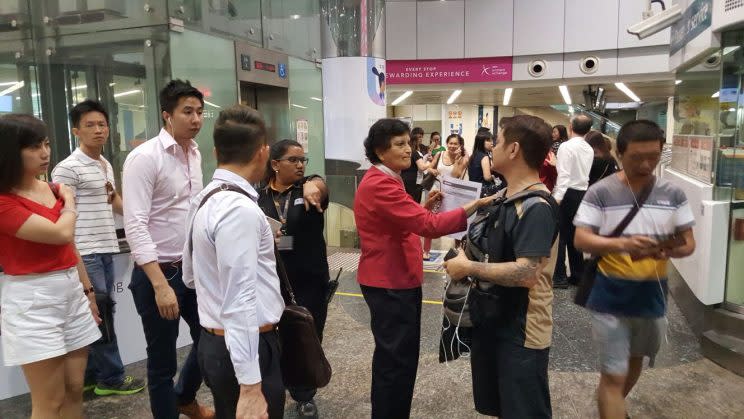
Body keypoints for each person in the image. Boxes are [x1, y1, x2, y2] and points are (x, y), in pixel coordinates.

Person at [354, 118, 494, 419]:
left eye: (409, 143)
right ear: (380, 151)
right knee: (397, 360)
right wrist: (473, 205)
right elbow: (428, 227)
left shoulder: (387, 178)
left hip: (392, 277)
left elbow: (405, 217)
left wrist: (426, 204)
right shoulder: (381, 183)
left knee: (396, 357)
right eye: (400, 144)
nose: (410, 150)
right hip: (390, 281)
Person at [574, 120, 696, 419]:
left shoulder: (673, 194)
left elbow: (688, 244)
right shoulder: (600, 192)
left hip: (651, 298)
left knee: (635, 362)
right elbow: (581, 238)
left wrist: (662, 249)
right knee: (614, 375)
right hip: (609, 298)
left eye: (653, 157)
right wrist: (622, 245)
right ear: (618, 153)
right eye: (636, 157)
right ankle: (611, 399)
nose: (645, 164)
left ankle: (610, 402)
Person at [444, 115, 559, 419]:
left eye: (497, 141)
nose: (491, 148)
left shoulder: (536, 207)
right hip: (493, 318)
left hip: (521, 329)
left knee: (523, 409)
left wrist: (468, 267)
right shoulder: (505, 196)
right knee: (501, 406)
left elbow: (527, 273)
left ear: (513, 150)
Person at [183, 105, 286, 419]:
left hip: (218, 342)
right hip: (246, 348)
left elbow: (190, 275)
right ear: (263, 152)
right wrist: (251, 387)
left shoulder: (205, 197)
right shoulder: (238, 209)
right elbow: (240, 298)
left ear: (216, 151)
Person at [122, 79, 214, 419]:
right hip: (158, 274)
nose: (196, 119)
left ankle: (183, 396)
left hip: (192, 269)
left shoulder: (194, 153)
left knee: (212, 339)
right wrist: (160, 285)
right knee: (161, 362)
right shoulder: (144, 158)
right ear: (166, 116)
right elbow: (135, 225)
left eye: (200, 112)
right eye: (187, 112)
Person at [0, 114, 102, 418]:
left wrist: (88, 290)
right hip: (32, 300)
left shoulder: (50, 189)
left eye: (45, 144)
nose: (44, 153)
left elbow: (69, 247)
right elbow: (61, 233)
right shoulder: (5, 201)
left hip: (70, 289)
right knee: (49, 400)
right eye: (33, 147)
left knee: (74, 389)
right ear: (9, 151)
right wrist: (70, 203)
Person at [51, 99, 147, 398]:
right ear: (76, 130)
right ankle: (112, 378)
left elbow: (112, 200)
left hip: (105, 247)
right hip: (85, 252)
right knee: (100, 314)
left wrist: (141, 218)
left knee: (98, 314)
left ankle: (93, 375)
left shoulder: (104, 164)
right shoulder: (66, 169)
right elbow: (60, 214)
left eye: (102, 124)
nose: (98, 130)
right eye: (90, 125)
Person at [257, 139, 330, 418]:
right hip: (272, 279)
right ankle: (274, 385)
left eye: (303, 160)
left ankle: (304, 395)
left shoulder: (309, 191)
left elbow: (321, 187)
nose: (300, 165)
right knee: (273, 338)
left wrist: (315, 181)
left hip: (310, 280)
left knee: (306, 336)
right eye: (293, 160)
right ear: (275, 164)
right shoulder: (258, 197)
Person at [552, 114, 594, 289]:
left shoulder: (566, 147)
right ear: (589, 130)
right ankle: (577, 275)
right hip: (582, 194)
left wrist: (557, 199)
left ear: (570, 127)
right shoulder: (589, 149)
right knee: (575, 235)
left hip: (566, 194)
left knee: (560, 236)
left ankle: (560, 277)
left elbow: (564, 176)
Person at [422, 133, 470, 259]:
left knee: (456, 223)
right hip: (437, 192)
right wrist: (433, 170)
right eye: (450, 143)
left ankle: (458, 250)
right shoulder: (440, 154)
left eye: (455, 143)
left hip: (454, 195)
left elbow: (456, 175)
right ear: (447, 143)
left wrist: (458, 159)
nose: (452, 146)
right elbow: (429, 168)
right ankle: (426, 251)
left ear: (460, 145)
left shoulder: (464, 157)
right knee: (429, 221)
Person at [401, 126, 436, 203]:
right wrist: (433, 162)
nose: (421, 139)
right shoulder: (413, 151)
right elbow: (422, 167)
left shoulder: (414, 150)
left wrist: (427, 158)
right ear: (414, 137)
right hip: (412, 181)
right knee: (413, 202)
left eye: (422, 137)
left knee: (413, 201)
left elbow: (420, 162)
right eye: (419, 137)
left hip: (413, 180)